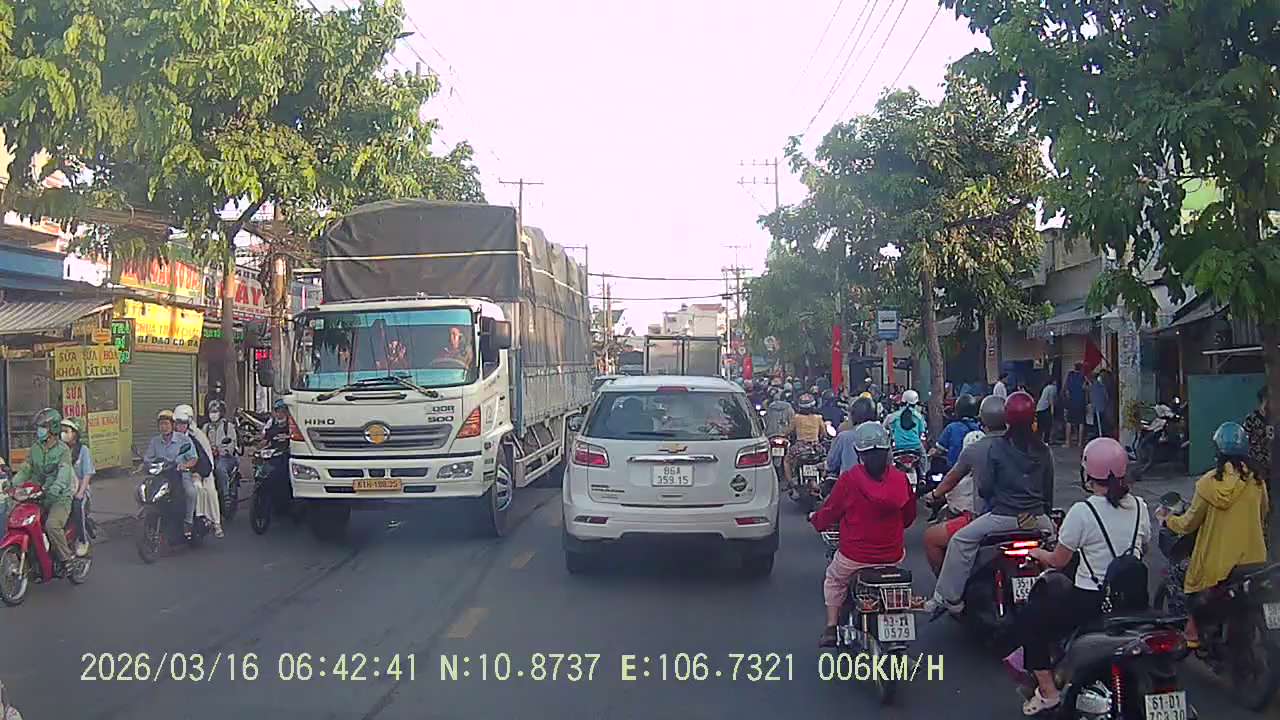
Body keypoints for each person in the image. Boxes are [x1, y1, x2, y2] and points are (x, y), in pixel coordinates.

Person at [1018, 437, 1150, 715]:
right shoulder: (1140, 506)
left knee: (1032, 619)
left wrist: (1038, 553)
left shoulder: (1082, 512)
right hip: (1134, 602)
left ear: (1088, 473)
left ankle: (1048, 692)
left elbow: (1058, 560)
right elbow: (1143, 547)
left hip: (1090, 602)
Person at [925, 391, 1056, 616]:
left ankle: (949, 598)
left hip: (1002, 517)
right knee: (1058, 548)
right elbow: (1048, 490)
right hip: (1038, 519)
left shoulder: (996, 448)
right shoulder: (1044, 449)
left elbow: (985, 488)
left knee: (960, 541)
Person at [1158, 421, 1269, 648]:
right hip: (1254, 560)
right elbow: (1263, 512)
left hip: (1220, 565)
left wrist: (1168, 520)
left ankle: (1192, 636)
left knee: (1193, 588)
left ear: (1217, 451)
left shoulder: (1208, 484)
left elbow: (1188, 523)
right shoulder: (1257, 481)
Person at [811, 421, 917, 646]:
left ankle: (831, 627)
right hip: (892, 555)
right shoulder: (901, 479)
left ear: (859, 453)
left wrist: (817, 521)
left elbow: (831, 511)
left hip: (854, 557)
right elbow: (909, 517)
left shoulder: (849, 479)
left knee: (834, 579)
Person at [921, 395, 1008, 575]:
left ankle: (946, 589)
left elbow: (953, 480)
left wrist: (935, 494)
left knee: (935, 538)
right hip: (1032, 519)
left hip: (989, 517)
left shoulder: (975, 447)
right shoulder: (1027, 447)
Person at [8, 408, 79, 574]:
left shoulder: (63, 450)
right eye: (39, 427)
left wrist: (55, 488)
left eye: (43, 427)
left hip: (59, 497)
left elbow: (64, 473)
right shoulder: (35, 448)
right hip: (37, 495)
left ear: (52, 428)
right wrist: (12, 484)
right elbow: (26, 469)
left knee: (52, 525)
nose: (39, 430)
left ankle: (67, 559)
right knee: (18, 517)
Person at [143, 409, 199, 538]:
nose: (163, 427)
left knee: (190, 492)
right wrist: (145, 465)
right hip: (160, 475)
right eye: (161, 424)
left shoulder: (183, 439)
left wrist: (184, 465)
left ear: (173, 425)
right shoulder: (155, 441)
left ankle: (188, 522)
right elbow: (148, 458)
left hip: (179, 474)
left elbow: (193, 458)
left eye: (166, 424)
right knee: (143, 491)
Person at [175, 404, 222, 538]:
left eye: (183, 422)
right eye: (177, 422)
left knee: (206, 491)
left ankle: (213, 522)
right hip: (178, 472)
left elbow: (203, 460)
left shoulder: (196, 436)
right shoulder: (171, 436)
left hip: (201, 471)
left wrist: (195, 471)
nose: (179, 425)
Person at [59, 418, 95, 555]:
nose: (63, 434)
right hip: (62, 491)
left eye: (66, 431)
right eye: (62, 431)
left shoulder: (83, 450)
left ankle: (82, 540)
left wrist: (80, 492)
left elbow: (87, 474)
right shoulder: (60, 450)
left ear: (75, 433)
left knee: (77, 506)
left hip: (79, 490)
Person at [827, 396, 879, 477]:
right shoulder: (881, 435)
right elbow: (889, 462)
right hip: (876, 482)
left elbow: (831, 464)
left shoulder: (844, 437)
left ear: (853, 415)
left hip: (850, 482)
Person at [203, 399, 240, 513]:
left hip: (226, 458)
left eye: (215, 411)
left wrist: (220, 451)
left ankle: (226, 495)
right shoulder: (206, 427)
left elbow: (231, 445)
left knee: (219, 468)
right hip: (209, 458)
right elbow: (201, 442)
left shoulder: (228, 427)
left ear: (221, 412)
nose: (213, 414)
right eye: (211, 411)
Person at [784, 393, 825, 491]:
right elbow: (823, 433)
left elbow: (788, 431)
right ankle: (823, 479)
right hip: (816, 448)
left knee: (786, 461)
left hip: (800, 449)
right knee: (825, 460)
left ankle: (791, 483)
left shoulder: (796, 418)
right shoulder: (818, 418)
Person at [935, 394, 982, 469]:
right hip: (976, 470)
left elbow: (940, 450)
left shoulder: (951, 428)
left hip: (954, 469)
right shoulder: (980, 428)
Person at [883, 389, 926, 454]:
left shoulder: (893, 416)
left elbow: (887, 428)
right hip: (916, 446)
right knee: (924, 457)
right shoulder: (919, 417)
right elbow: (920, 432)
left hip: (898, 446)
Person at [1064, 363, 1087, 447]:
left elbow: (1066, 391)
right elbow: (1085, 388)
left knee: (1069, 422)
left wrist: (1068, 400)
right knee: (1081, 422)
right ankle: (1080, 443)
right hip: (1081, 402)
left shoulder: (1070, 375)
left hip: (1072, 402)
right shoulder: (1083, 376)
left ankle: (1068, 442)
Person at [1090, 368, 1111, 438]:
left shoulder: (1093, 387)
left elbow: (1091, 398)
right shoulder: (1102, 386)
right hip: (1102, 408)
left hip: (1096, 408)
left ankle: (1099, 437)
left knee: (1097, 425)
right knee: (1102, 424)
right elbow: (1106, 397)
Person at [1036, 378, 1058, 444]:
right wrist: (1052, 410)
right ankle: (1046, 441)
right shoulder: (1053, 388)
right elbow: (1051, 400)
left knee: (1040, 426)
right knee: (1048, 425)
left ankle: (1038, 441)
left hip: (1039, 408)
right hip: (1045, 408)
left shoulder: (1046, 387)